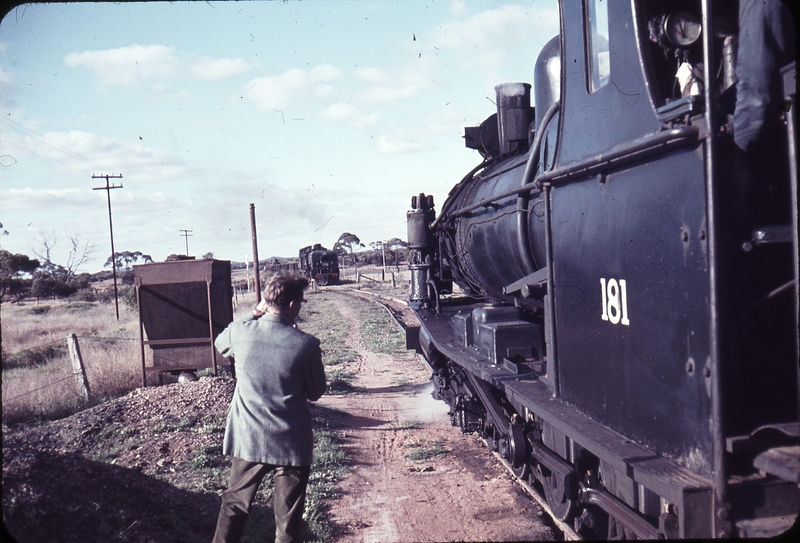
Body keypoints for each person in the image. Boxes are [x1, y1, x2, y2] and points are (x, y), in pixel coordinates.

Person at [212, 273, 327, 543]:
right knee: (287, 521)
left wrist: (253, 313)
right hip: (290, 442)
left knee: (235, 505)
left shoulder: (240, 332)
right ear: (290, 306)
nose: (300, 306)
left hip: (248, 436)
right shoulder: (306, 344)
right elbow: (316, 392)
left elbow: (220, 344)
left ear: (267, 301)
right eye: (301, 301)